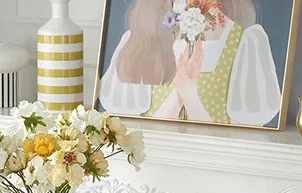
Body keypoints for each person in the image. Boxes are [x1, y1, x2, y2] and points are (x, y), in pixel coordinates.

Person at [99, 0, 282, 127]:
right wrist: (178, 96)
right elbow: (134, 138)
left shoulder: (245, 43)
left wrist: (189, 93)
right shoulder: (139, 41)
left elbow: (239, 145)